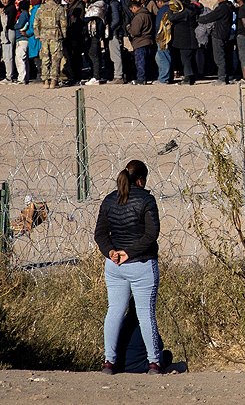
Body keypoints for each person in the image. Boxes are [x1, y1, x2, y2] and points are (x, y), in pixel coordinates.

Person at [93, 160, 163, 375]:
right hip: (140, 264)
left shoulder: (109, 200)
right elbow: (151, 234)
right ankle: (154, 363)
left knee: (114, 311)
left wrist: (111, 252)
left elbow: (100, 234)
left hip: (114, 266)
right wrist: (129, 252)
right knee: (145, 314)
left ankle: (109, 362)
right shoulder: (147, 200)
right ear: (141, 179)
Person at [197, 0, 235, 85]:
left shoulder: (222, 8)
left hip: (219, 34)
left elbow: (211, 16)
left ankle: (222, 79)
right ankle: (225, 77)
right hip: (226, 33)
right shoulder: (229, 6)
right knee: (224, 56)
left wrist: (200, 19)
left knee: (219, 57)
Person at [33, 0, 67, 89]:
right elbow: (63, 24)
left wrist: (38, 36)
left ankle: (46, 81)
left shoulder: (40, 9)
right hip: (56, 36)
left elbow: (35, 24)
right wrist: (64, 36)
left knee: (45, 58)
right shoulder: (59, 9)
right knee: (55, 59)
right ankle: (53, 81)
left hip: (44, 36)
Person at [126, 0, 156, 85]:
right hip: (149, 40)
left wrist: (129, 28)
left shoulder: (138, 17)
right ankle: (148, 76)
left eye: (132, 10)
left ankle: (141, 78)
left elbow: (136, 32)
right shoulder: (148, 14)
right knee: (148, 60)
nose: (132, 12)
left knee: (140, 61)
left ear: (134, 8)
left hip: (140, 42)